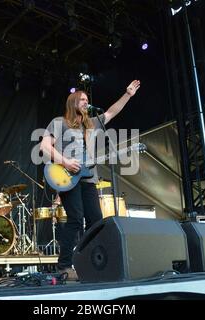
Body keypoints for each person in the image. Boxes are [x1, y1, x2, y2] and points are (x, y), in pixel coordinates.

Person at [40, 80, 141, 279]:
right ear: (73, 103)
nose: (86, 102)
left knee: (96, 221)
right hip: (67, 176)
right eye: (82, 100)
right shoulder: (58, 122)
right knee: (76, 219)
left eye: (87, 99)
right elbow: (44, 147)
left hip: (88, 178)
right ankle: (64, 265)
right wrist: (66, 162)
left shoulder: (92, 124)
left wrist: (127, 95)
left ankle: (93, 262)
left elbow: (112, 112)